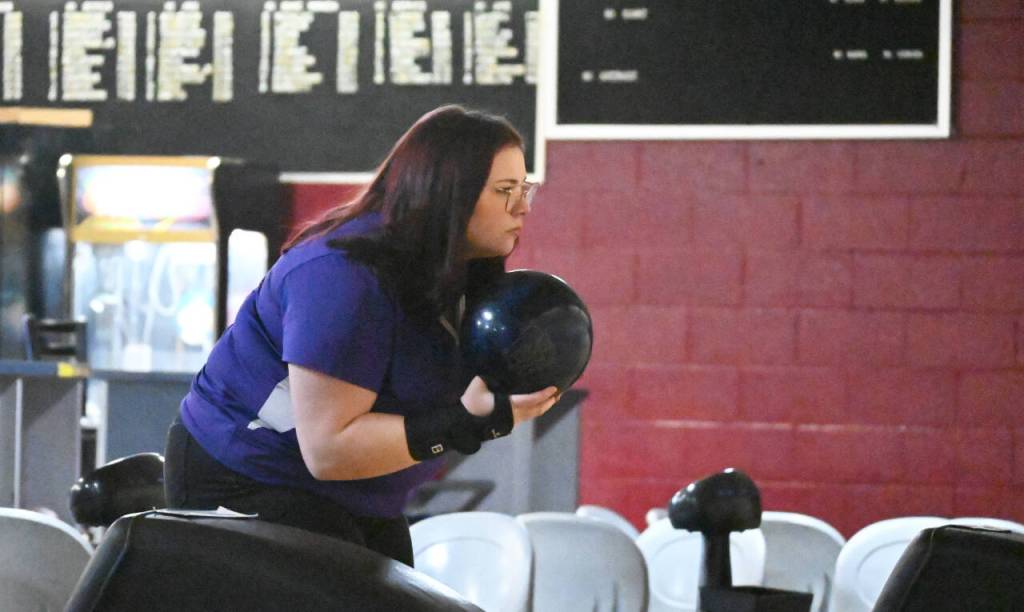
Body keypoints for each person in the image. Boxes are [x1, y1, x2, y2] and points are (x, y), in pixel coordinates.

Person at [163, 105, 560, 566]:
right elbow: (329, 450)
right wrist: (463, 422)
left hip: (353, 490)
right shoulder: (343, 277)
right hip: (247, 475)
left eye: (524, 189)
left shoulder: (458, 274)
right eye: (505, 191)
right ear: (448, 193)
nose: (523, 207)